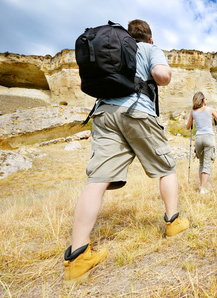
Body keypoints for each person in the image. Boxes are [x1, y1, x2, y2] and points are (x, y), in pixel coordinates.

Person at [63, 19, 189, 284]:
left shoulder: (116, 48)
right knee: (167, 167)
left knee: (97, 179)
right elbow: (162, 76)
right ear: (149, 38)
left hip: (104, 113)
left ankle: (77, 256)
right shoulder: (148, 48)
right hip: (137, 112)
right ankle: (173, 222)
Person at [186, 92, 217, 194]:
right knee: (207, 164)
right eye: (205, 99)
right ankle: (203, 189)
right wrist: (213, 117)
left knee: (201, 163)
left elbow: (188, 127)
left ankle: (201, 186)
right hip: (208, 138)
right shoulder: (210, 110)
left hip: (198, 139)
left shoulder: (193, 112)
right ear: (203, 100)